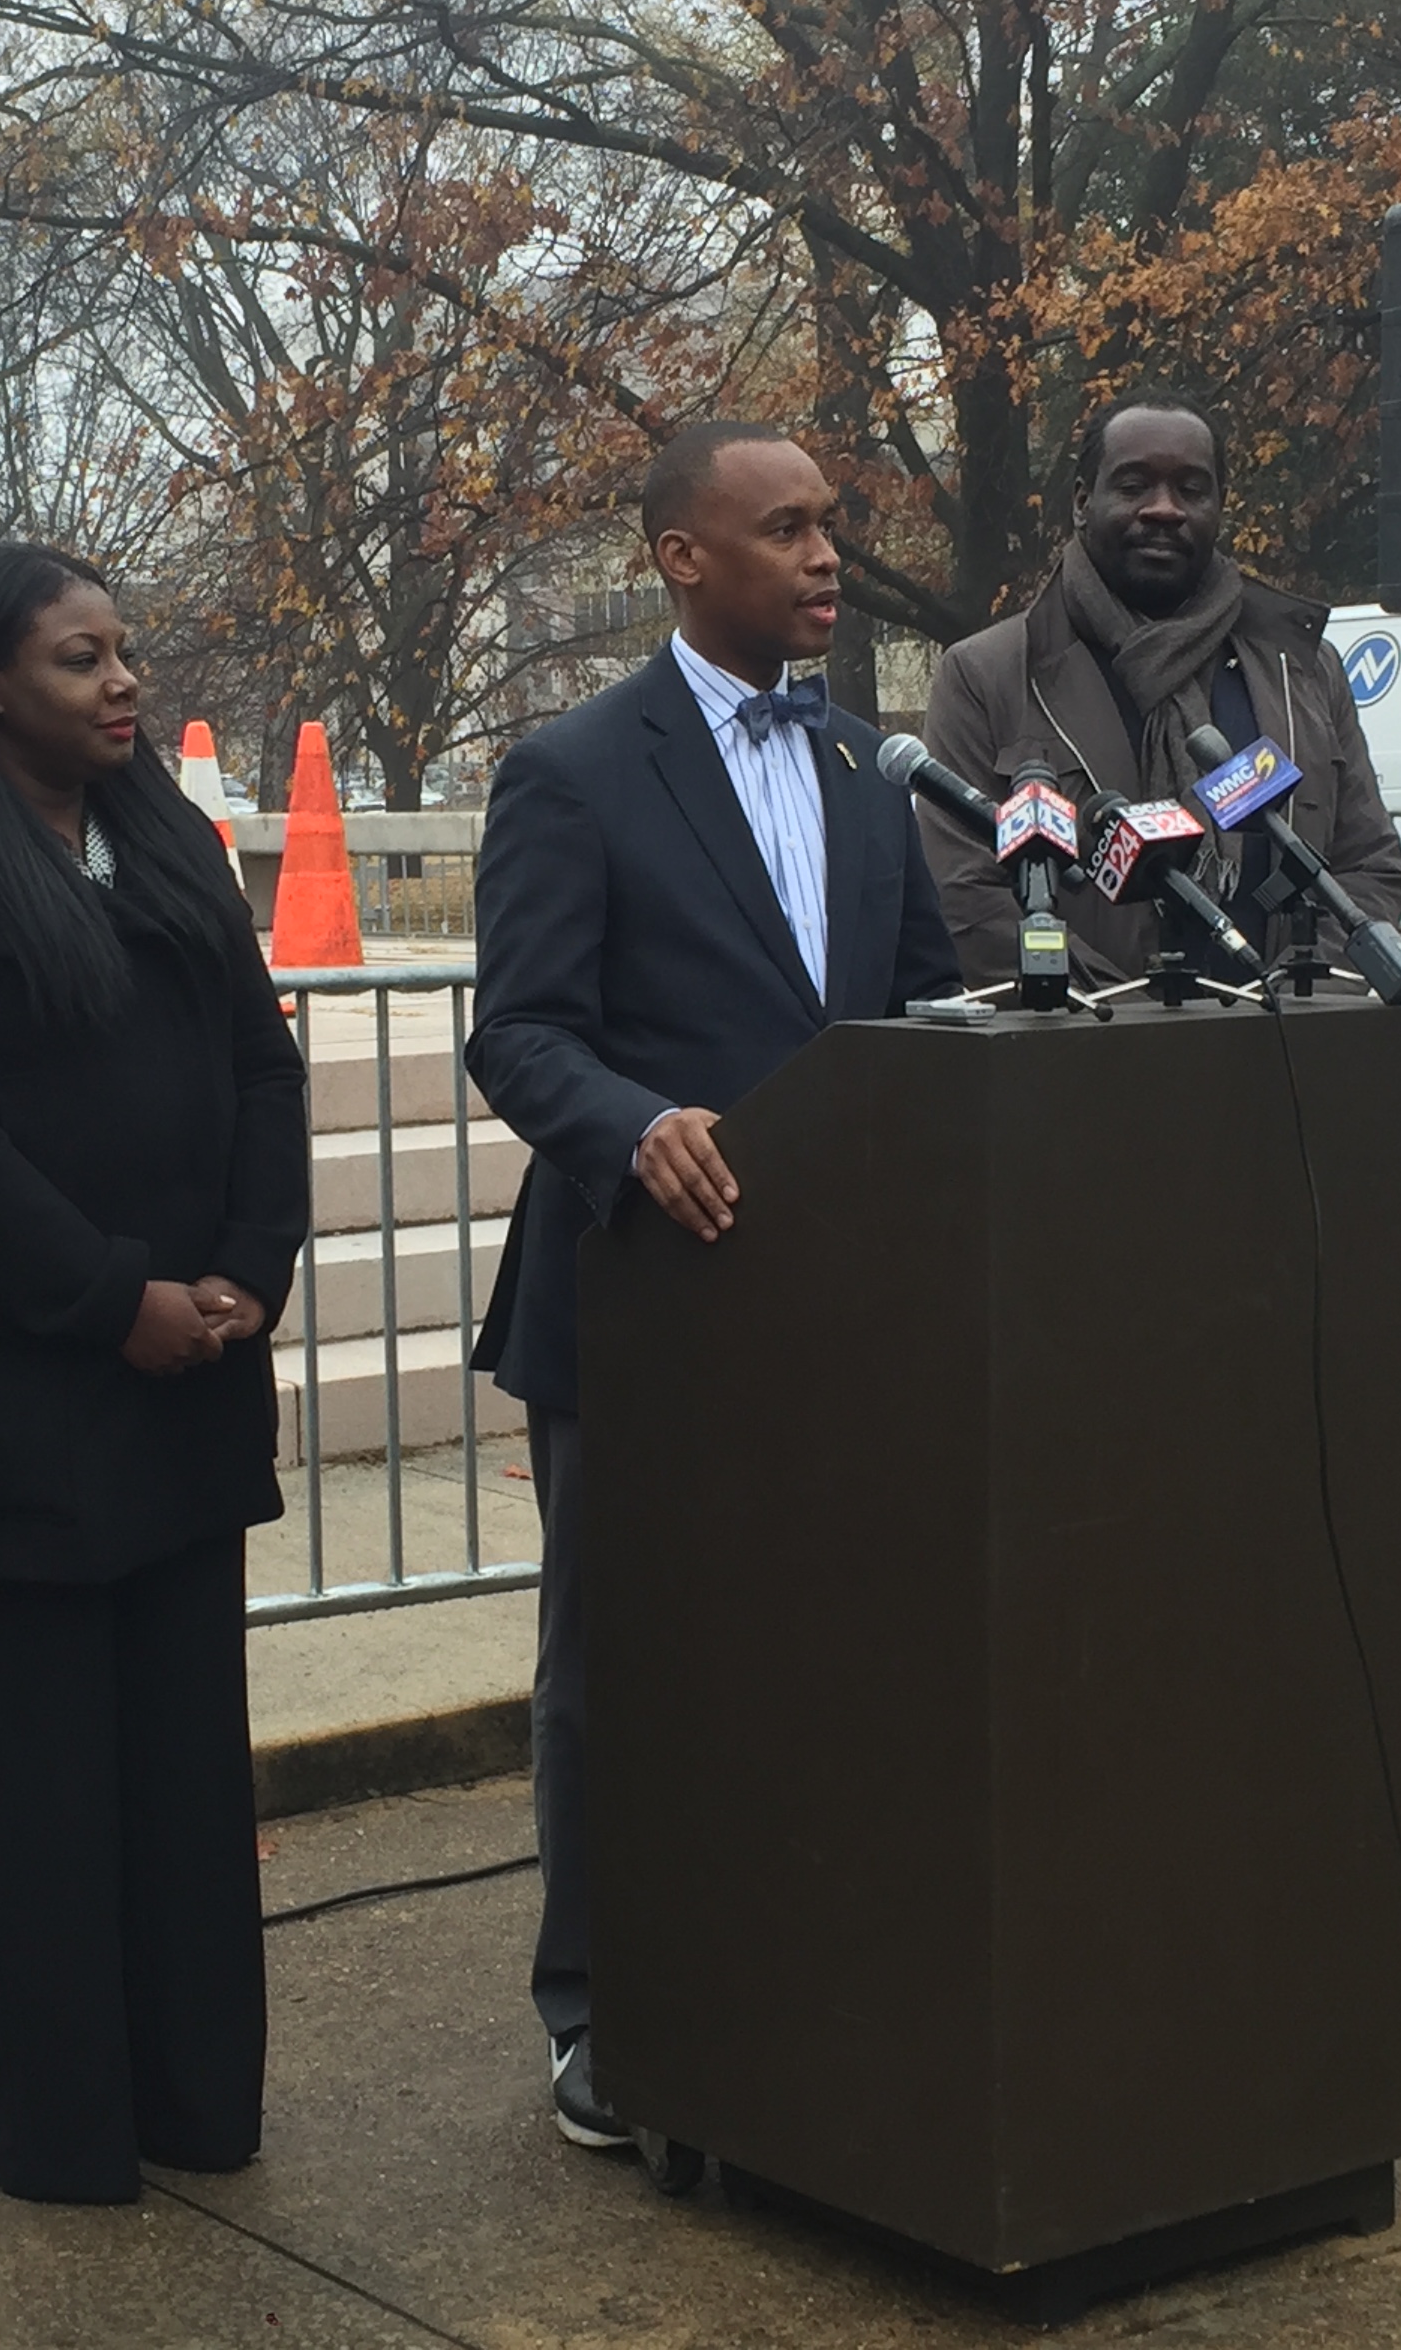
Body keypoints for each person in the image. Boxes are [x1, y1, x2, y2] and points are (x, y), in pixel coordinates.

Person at [466, 420, 960, 2149]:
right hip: (635, 1308)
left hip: (833, 1311)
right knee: (618, 1672)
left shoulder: (864, 769)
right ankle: (603, 2007)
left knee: (825, 1661)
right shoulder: (574, 768)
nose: (826, 555)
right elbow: (515, 1028)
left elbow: (916, 1010)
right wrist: (630, 1122)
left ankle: (803, 1963)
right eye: (786, 528)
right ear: (684, 556)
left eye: (832, 525)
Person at [0, 542, 307, 2205]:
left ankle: (192, 2091)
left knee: (182, 1752)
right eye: (79, 659)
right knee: (41, 1768)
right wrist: (115, 1301)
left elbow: (259, 1060)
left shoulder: (166, 844)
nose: (121, 684)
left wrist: (250, 1260)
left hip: (191, 1367)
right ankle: (62, 2125)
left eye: (123, 654)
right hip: (21, 1382)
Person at [917, 392, 1401, 991]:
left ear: (1220, 508)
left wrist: (1289, 1007)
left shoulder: (1303, 667)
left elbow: (1368, 867)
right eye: (1133, 486)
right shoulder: (987, 674)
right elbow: (967, 897)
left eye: (1192, 490)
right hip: (1092, 1059)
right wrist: (1133, 1025)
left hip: (1283, 1056)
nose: (1164, 509)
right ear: (1081, 503)